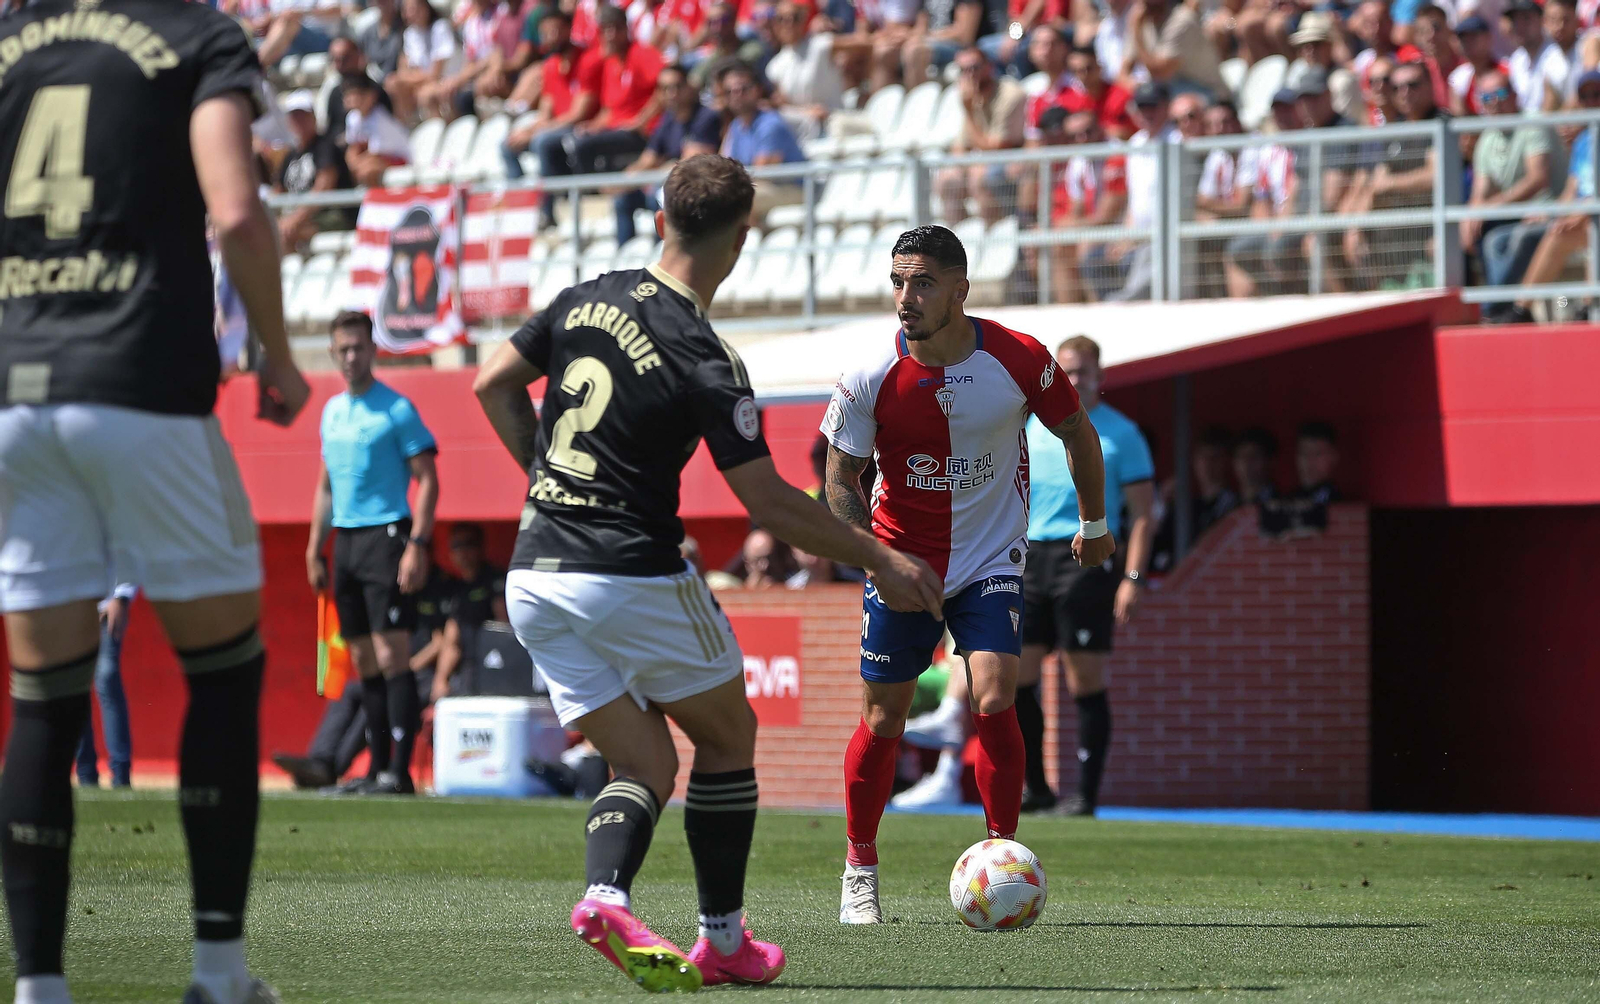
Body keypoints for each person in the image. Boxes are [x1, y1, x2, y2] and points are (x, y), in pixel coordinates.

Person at [471, 154, 942, 990]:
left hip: (535, 573)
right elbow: (768, 505)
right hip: (628, 571)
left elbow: (492, 382)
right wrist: (880, 555)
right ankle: (723, 939)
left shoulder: (585, 295)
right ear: (742, 238)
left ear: (661, 219)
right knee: (729, 737)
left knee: (646, 764)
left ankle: (605, 896)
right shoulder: (703, 353)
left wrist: (543, 481)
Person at [0, 3, 312, 1002]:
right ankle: (218, 973)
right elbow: (234, 210)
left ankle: (41, 985)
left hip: (15, 395)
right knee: (224, 669)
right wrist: (274, 352)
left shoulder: (10, 41)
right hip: (141, 380)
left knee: (42, 699)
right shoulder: (194, 33)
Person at [823, 225, 1115, 923]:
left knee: (993, 694)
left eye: (921, 282)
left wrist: (1096, 525)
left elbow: (1076, 429)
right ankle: (859, 866)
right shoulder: (869, 372)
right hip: (901, 562)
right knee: (884, 715)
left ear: (960, 290)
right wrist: (877, 561)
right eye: (897, 282)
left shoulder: (1018, 358)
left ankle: (1002, 856)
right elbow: (840, 477)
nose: (905, 297)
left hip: (990, 558)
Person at [1015, 336, 1153, 817]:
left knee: (1084, 680)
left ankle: (1086, 796)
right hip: (1029, 557)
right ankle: (1036, 786)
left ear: (1100, 375)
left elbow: (1142, 514)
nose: (1075, 380)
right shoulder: (1031, 425)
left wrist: (1133, 576)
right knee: (1016, 677)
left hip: (1088, 557)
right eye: (1067, 371)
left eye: (1084, 372)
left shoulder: (1122, 433)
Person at [307, 312, 439, 797]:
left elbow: (428, 479)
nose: (350, 357)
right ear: (332, 352)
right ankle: (373, 768)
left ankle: (398, 773)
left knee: (391, 653)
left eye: (358, 348)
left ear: (373, 349)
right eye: (342, 349)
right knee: (361, 658)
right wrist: (313, 547)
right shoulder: (332, 412)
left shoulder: (397, 410)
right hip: (345, 541)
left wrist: (417, 545)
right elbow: (325, 486)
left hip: (388, 536)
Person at [1464, 70, 1560, 303]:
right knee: (1473, 236)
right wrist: (1469, 218)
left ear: (1515, 95)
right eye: (1486, 98)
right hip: (1519, 217)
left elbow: (1538, 179)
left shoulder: (1533, 123)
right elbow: (1480, 193)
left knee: (1502, 240)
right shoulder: (1487, 140)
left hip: (1552, 213)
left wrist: (1487, 208)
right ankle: (1486, 310)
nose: (1494, 102)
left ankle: (1500, 310)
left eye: (1500, 93)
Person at [612, 64, 722, 243]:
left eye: (677, 87)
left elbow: (690, 163)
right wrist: (623, 181)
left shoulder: (706, 117)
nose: (672, 93)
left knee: (656, 198)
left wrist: (657, 170)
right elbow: (648, 159)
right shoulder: (667, 119)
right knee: (623, 200)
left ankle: (662, 255)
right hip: (668, 185)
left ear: (688, 87)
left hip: (696, 191)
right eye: (665, 89)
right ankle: (624, 259)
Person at [935, 47, 1027, 224]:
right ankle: (956, 241)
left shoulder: (1011, 95)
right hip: (984, 161)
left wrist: (968, 110)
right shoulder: (971, 95)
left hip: (1012, 161)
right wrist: (959, 167)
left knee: (979, 178)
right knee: (947, 179)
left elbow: (997, 147)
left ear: (989, 67)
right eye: (963, 70)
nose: (969, 74)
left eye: (974, 67)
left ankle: (992, 239)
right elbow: (960, 146)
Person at [719, 61, 807, 224]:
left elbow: (763, 172)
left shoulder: (770, 123)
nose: (736, 94)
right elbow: (723, 168)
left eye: (743, 89)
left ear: (757, 90)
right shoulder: (736, 127)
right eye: (729, 91)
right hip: (761, 188)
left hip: (792, 189)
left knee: (739, 198)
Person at [430, 523, 508, 702]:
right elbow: (452, 642)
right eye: (457, 546)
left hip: (495, 662)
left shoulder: (495, 580)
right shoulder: (455, 589)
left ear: (481, 547)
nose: (463, 551)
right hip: (468, 669)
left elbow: (505, 628)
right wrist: (441, 679)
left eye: (469, 543)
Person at [273, 90, 357, 253]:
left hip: (331, 215)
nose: (298, 121)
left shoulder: (326, 147)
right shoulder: (290, 155)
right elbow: (277, 191)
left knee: (286, 232)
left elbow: (323, 187)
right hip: (302, 217)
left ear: (313, 116)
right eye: (294, 116)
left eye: (302, 115)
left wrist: (295, 219)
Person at [73, 585, 138, 790]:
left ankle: (121, 774)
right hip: (68, 606)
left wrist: (122, 596)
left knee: (107, 678)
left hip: (106, 601)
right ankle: (85, 775)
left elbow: (126, 552)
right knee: (74, 684)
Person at [1150, 426, 1238, 573]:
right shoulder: (1183, 507)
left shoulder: (1235, 505)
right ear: (1194, 461)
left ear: (1227, 462)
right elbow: (1155, 548)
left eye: (1216, 457)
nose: (1208, 464)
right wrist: (1162, 504)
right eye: (1203, 457)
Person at [765, 0, 847, 142]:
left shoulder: (822, 44)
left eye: (794, 18)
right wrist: (808, 111)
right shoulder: (774, 66)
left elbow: (864, 44)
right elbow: (785, 104)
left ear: (804, 20)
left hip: (836, 124)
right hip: (804, 132)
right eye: (781, 19)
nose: (788, 23)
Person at [342, 73, 413, 187]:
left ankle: (378, 202)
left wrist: (357, 163)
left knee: (368, 170)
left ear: (371, 95)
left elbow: (376, 154)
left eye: (357, 93)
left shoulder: (380, 117)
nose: (351, 97)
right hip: (376, 158)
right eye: (349, 93)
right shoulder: (352, 118)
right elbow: (353, 148)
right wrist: (353, 162)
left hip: (400, 159)